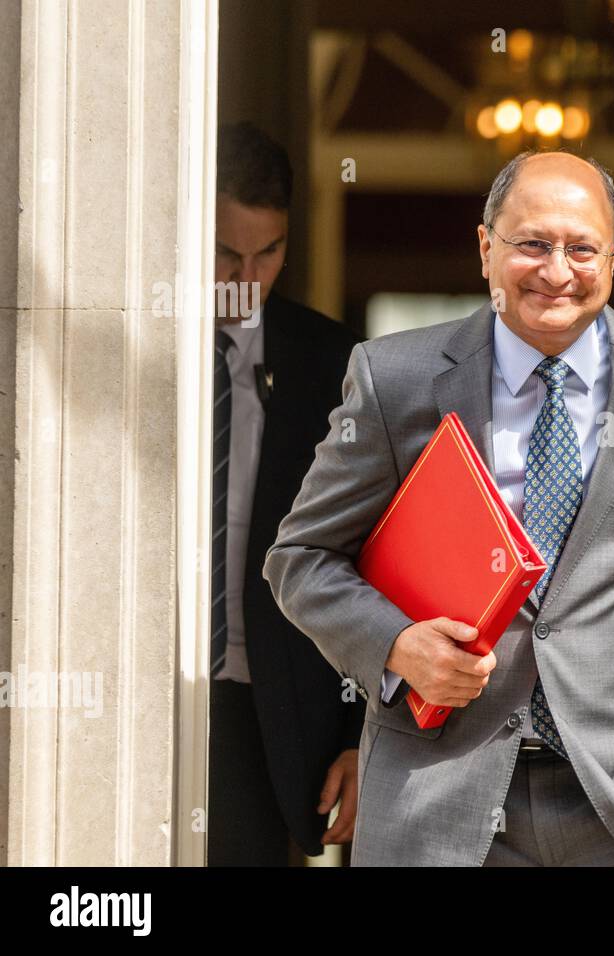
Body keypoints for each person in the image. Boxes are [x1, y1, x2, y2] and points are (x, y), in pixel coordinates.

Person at [263, 149, 614, 866]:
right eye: (532, 244)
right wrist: (396, 646)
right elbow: (300, 559)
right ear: (486, 248)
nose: (557, 271)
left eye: (581, 248)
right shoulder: (394, 378)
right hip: (439, 801)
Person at [208, 121, 365, 866]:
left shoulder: (332, 364)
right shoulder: (129, 339)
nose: (248, 277)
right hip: (138, 689)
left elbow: (376, 560)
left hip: (274, 717)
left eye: (268, 253)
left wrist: (365, 739)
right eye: (225, 253)